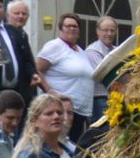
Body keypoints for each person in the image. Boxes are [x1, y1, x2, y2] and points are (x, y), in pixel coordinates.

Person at [34, 13, 95, 141]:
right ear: (61, 29)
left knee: (71, 148)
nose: (72, 29)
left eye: (75, 26)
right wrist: (50, 91)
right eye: (68, 26)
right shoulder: (55, 46)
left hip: (79, 111)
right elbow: (37, 69)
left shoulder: (80, 51)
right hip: (61, 110)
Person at [84, 17, 118, 121]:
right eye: (105, 30)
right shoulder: (93, 50)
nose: (109, 33)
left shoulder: (117, 50)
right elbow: (103, 74)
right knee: (101, 133)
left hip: (115, 98)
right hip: (100, 99)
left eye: (112, 30)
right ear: (98, 31)